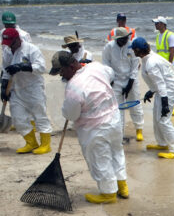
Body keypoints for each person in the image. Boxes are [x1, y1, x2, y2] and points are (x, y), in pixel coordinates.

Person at [49, 51, 129, 204]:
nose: (61, 76)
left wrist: (66, 111)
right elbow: (111, 74)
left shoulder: (74, 88)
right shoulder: (96, 67)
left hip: (95, 128)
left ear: (71, 66)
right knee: (116, 152)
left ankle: (108, 193)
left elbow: (71, 114)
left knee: (100, 159)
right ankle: (122, 186)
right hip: (114, 120)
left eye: (61, 71)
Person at [0, 28, 54, 154]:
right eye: (7, 45)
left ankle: (46, 144)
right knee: (18, 118)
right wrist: (3, 86)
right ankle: (31, 143)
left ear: (18, 39)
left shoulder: (31, 49)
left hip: (33, 88)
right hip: (16, 89)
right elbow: (5, 70)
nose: (10, 48)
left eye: (12, 44)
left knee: (39, 116)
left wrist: (22, 66)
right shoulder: (7, 52)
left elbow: (41, 68)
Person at [130, 37, 174, 159]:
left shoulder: (151, 63)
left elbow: (161, 83)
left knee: (163, 120)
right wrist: (151, 91)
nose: (133, 51)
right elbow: (158, 81)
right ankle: (162, 143)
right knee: (156, 117)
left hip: (168, 91)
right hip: (163, 90)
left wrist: (165, 103)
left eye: (134, 49)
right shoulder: (147, 58)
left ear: (138, 50)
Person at [102, 27, 144, 141]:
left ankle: (139, 129)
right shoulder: (109, 47)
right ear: (117, 39)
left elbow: (135, 66)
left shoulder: (131, 47)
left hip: (131, 80)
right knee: (117, 108)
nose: (125, 41)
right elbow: (106, 63)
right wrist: (110, 80)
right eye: (122, 39)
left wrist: (130, 83)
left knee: (135, 104)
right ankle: (119, 134)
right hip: (115, 81)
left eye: (126, 38)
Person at [153, 15, 174, 115]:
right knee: (162, 85)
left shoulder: (170, 35)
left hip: (169, 64)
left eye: (157, 23)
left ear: (163, 24)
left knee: (172, 85)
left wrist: (170, 65)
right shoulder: (158, 35)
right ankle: (165, 104)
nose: (155, 25)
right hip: (160, 64)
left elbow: (172, 51)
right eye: (155, 23)